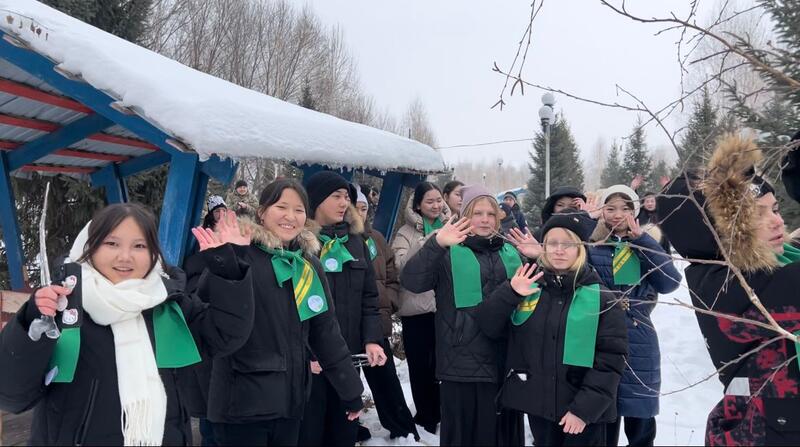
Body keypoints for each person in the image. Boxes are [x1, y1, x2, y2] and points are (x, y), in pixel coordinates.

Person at [0, 203, 255, 445]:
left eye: (139, 246)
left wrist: (227, 268)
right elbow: (12, 396)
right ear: (89, 247)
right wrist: (31, 321)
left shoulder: (169, 305)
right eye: (111, 243)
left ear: (153, 252)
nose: (125, 257)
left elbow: (225, 335)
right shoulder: (61, 307)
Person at [660, 134, 800, 446]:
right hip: (762, 433)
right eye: (756, 215)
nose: (777, 222)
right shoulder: (724, 286)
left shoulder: (779, 265)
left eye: (775, 209)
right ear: (720, 231)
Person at [400, 184, 541, 446]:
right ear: (465, 216)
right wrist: (438, 243)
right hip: (461, 364)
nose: (485, 219)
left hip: (504, 359)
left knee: (502, 436)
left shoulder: (511, 252)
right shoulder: (447, 250)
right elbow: (412, 281)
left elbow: (535, 295)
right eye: (477, 213)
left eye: (491, 213)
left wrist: (538, 259)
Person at [476, 214, 628, 446]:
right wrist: (510, 292)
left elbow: (610, 361)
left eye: (567, 244)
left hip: (583, 417)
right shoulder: (528, 288)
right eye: (552, 244)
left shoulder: (602, 299)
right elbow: (489, 326)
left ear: (580, 249)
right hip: (540, 409)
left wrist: (583, 410)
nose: (559, 250)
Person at [588, 184, 682, 447]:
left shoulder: (646, 245)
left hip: (639, 340)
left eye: (625, 208)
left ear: (636, 210)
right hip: (601, 340)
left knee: (640, 424)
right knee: (602, 420)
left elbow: (670, 283)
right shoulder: (592, 248)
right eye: (611, 208)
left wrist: (642, 240)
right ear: (602, 212)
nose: (618, 214)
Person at [299, 171, 386, 446]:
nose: (343, 203)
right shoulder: (299, 245)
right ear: (315, 200)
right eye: (336, 196)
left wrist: (372, 339)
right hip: (309, 364)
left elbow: (370, 298)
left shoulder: (355, 243)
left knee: (344, 431)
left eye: (346, 197)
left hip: (347, 359)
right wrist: (304, 355)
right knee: (309, 433)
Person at [354, 188, 419, 441]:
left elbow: (392, 275)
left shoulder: (377, 239)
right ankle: (351, 425)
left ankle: (402, 428)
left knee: (386, 381)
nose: (359, 213)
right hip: (347, 326)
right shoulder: (332, 241)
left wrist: (388, 301)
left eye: (363, 208)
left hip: (376, 322)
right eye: (354, 207)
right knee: (348, 381)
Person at [391, 181, 451, 434]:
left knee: (444, 364)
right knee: (420, 365)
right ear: (417, 205)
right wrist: (432, 241)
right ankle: (426, 413)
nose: (436, 205)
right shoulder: (406, 232)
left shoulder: (454, 226)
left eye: (439, 200)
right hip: (417, 310)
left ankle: (444, 410)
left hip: (446, 308)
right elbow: (400, 265)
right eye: (430, 201)